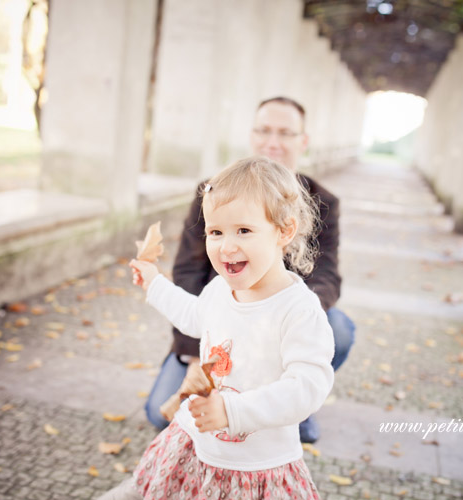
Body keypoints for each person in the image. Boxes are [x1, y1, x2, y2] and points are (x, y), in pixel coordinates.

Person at [98, 156, 334, 499]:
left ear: (284, 230)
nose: (227, 246)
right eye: (216, 232)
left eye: (244, 230)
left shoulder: (298, 309)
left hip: (255, 467)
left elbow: (307, 387)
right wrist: (155, 284)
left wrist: (232, 410)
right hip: (193, 442)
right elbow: (196, 316)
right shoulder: (221, 289)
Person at [145, 97, 355, 443]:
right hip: (220, 319)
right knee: (161, 414)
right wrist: (198, 356)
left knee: (338, 329)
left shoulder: (323, 201)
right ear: (251, 135)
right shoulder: (213, 191)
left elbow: (327, 275)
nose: (272, 142)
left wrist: (280, 316)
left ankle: (289, 399)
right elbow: (187, 273)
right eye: (264, 130)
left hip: (282, 314)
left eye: (285, 133)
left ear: (303, 141)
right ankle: (241, 392)